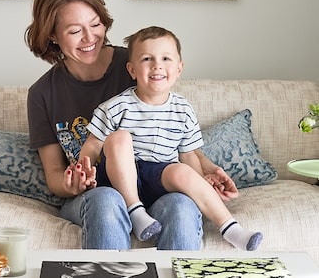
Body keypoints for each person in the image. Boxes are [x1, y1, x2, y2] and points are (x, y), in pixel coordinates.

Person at [24, 0, 238, 250]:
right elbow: (54, 173)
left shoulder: (139, 63)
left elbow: (173, 124)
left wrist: (206, 171)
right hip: (94, 194)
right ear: (52, 35)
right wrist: (73, 185)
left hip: (156, 186)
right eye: (75, 31)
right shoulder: (43, 93)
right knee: (105, 199)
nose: (90, 38)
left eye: (96, 24)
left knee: (182, 205)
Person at [78, 26, 263, 251]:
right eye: (147, 59)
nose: (157, 65)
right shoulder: (115, 107)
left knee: (181, 170)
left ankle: (232, 229)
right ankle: (135, 211)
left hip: (159, 176)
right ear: (132, 69)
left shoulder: (183, 110)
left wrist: (200, 180)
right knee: (119, 138)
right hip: (120, 179)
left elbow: (188, 154)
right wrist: (83, 169)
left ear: (178, 69)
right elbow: (93, 144)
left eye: (166, 58)